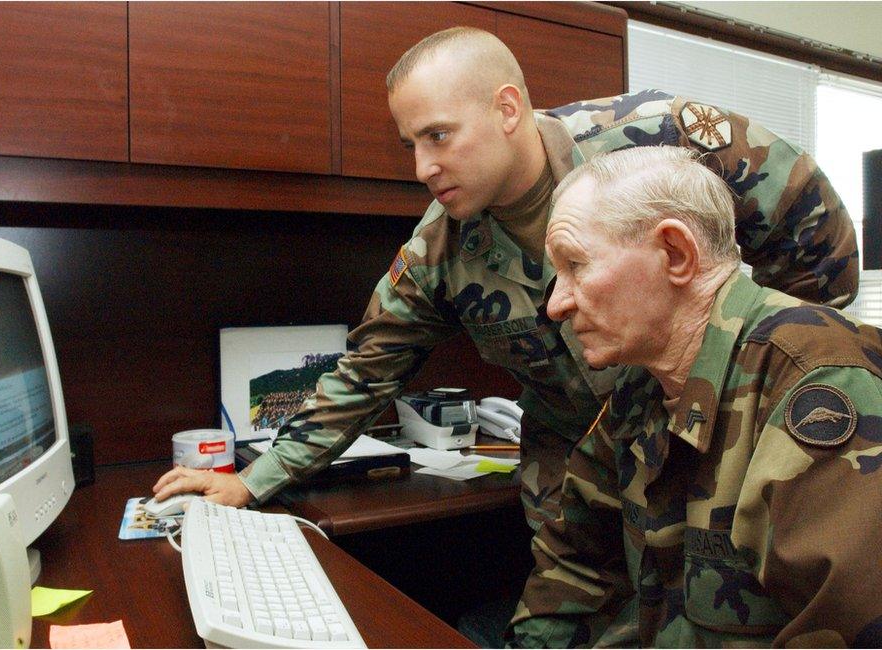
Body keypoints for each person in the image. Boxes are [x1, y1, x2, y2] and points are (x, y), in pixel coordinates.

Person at [152, 26, 859, 645]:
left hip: (713, 429)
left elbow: (815, 228)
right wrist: (252, 482)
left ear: (508, 109)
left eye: (438, 136)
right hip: (579, 455)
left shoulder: (658, 137)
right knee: (587, 608)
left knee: (738, 609)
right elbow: (365, 374)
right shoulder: (440, 249)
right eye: (410, 145)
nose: (423, 167)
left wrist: (745, 369)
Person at [512, 145, 882, 647]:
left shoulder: (819, 386)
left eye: (576, 265)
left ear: (676, 254)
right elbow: (577, 563)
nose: (556, 304)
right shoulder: (640, 382)